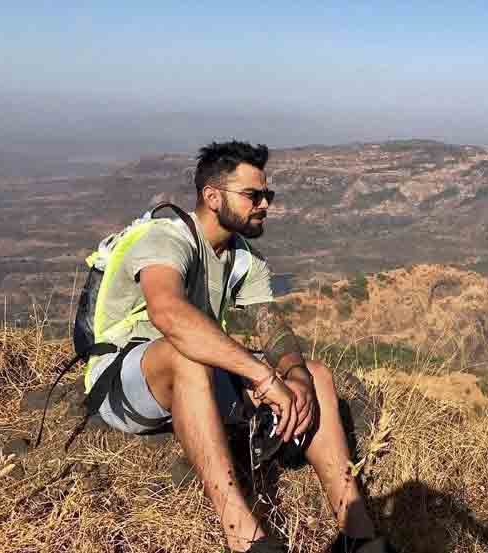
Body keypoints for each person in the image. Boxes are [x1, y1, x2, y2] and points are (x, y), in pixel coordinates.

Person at [85, 140, 394, 553]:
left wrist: (297, 376)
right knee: (186, 356)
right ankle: (245, 539)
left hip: (189, 379)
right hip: (123, 381)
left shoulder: (242, 257)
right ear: (213, 197)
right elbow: (168, 314)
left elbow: (273, 329)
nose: (264, 204)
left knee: (317, 375)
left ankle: (358, 536)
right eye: (253, 195)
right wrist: (262, 376)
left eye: (268, 195)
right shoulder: (167, 237)